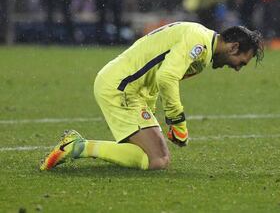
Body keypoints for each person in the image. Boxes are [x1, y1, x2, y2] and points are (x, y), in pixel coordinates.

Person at [40, 22, 264, 171]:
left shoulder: (201, 42)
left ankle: (80, 146)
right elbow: (166, 77)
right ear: (234, 47)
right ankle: (77, 146)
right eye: (241, 62)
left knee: (152, 157)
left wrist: (151, 115)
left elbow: (156, 75)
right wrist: (177, 120)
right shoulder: (199, 42)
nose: (237, 69)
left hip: (129, 88)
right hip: (121, 87)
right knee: (158, 160)